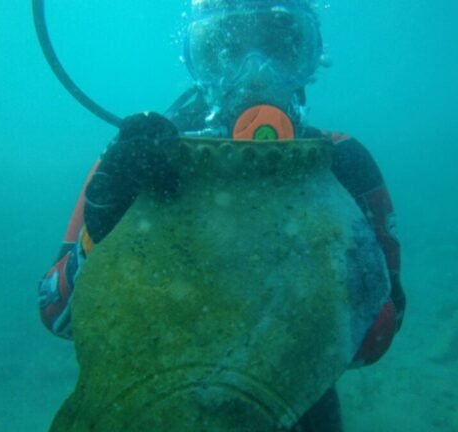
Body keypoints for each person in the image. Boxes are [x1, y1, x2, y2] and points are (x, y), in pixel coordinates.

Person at [38, 1, 405, 430]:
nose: (255, 75)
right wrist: (100, 232)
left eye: (281, 48)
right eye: (224, 53)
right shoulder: (136, 160)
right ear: (195, 64)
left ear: (310, 59)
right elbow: (57, 313)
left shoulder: (342, 166)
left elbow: (381, 330)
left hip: (293, 410)